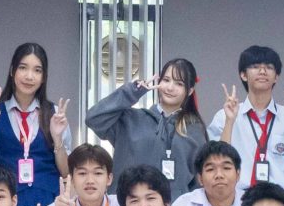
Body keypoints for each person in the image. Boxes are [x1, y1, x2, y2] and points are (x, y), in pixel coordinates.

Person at [88, 59, 210, 197]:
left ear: (190, 90)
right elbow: (94, 118)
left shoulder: (194, 130)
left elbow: (199, 182)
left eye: (179, 83)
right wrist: (133, 92)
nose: (170, 87)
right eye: (166, 80)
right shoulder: (130, 119)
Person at [0, 41, 69, 206]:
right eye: (23, 68)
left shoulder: (55, 114)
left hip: (49, 203)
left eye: (37, 70)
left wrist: (57, 138)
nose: (29, 76)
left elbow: (66, 172)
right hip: (7, 203)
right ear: (12, 71)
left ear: (44, 77)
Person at [210, 47, 284, 195]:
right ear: (243, 75)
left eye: (269, 67)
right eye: (255, 66)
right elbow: (218, 162)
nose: (263, 71)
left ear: (276, 77)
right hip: (238, 199)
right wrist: (229, 122)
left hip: (280, 199)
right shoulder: (224, 116)